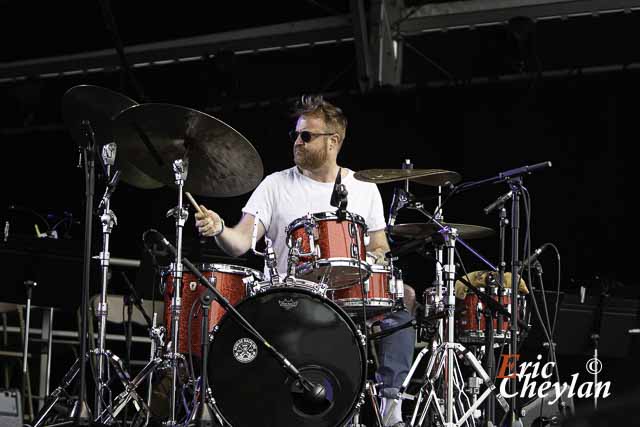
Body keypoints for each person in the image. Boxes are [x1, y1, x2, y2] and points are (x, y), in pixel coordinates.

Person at [195, 95, 415, 427]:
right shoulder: (275, 185)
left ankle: (391, 401)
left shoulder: (363, 188)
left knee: (404, 298)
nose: (298, 141)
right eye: (296, 135)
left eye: (307, 136)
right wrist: (219, 229)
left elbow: (380, 245)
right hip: (287, 303)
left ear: (333, 142)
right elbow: (240, 242)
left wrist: (369, 259)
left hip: (345, 299)